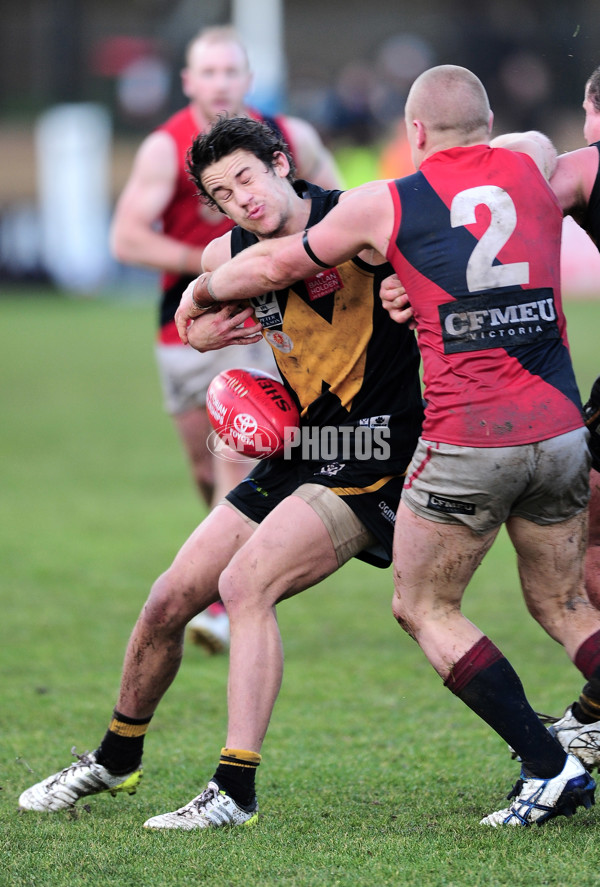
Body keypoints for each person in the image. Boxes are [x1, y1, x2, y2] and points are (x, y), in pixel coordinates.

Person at [177, 65, 600, 827]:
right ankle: (576, 736)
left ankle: (551, 767)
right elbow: (536, 151)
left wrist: (199, 301)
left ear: (411, 136)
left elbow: (275, 263)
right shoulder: (533, 155)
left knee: (424, 604)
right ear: (491, 119)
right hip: (562, 425)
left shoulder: (387, 201)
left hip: (468, 434)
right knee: (564, 603)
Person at [18, 116, 425, 829]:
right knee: (169, 596)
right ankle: (116, 757)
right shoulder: (228, 248)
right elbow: (194, 303)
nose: (242, 199)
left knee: (245, 586)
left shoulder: (358, 218)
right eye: (223, 193)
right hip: (300, 447)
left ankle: (233, 789)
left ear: (280, 163)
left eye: (247, 177)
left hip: (378, 450)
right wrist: (195, 315)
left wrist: (410, 299)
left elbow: (436, 269)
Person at [110, 25, 343, 653]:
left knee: (238, 450)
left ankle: (220, 600)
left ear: (248, 79)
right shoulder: (165, 149)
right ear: (189, 82)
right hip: (184, 323)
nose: (219, 83)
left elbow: (349, 213)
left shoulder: (290, 138)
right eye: (206, 73)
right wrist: (216, 270)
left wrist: (257, 276)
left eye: (230, 72)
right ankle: (224, 559)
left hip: (261, 319)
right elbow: (126, 239)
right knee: (202, 459)